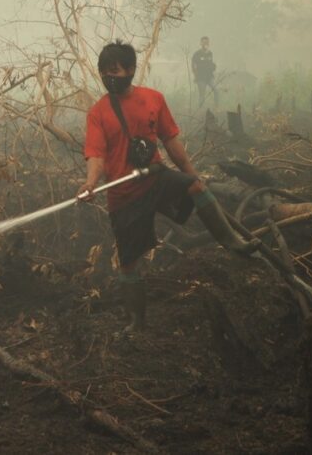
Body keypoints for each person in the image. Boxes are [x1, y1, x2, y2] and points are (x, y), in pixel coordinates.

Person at [78, 41, 258, 332]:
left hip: (156, 177)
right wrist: (89, 183)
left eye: (115, 70)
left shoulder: (154, 99)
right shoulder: (98, 113)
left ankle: (233, 242)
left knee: (196, 189)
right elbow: (96, 155)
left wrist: (192, 174)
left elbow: (171, 141)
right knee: (128, 262)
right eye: (104, 72)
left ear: (131, 70)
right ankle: (136, 322)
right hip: (124, 194)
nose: (109, 77)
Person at [192, 36, 218, 107]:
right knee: (202, 95)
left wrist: (213, 66)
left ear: (208, 43)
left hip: (209, 77)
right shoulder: (197, 54)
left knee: (216, 90)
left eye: (207, 42)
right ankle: (200, 110)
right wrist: (196, 76)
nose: (205, 44)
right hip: (201, 78)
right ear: (201, 43)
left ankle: (216, 107)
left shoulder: (210, 53)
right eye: (204, 42)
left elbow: (210, 64)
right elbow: (193, 66)